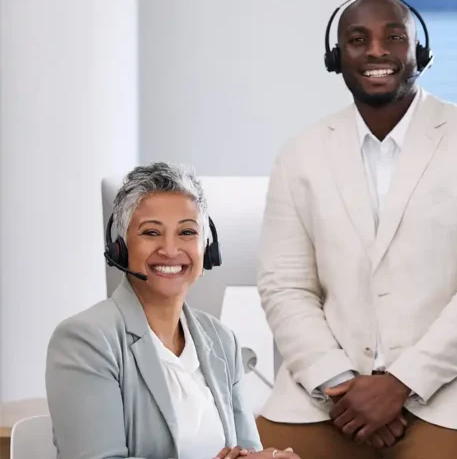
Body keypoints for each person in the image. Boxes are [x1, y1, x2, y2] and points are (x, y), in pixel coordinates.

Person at [255, 0, 457, 459]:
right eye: (357, 39)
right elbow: (285, 286)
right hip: (326, 397)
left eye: (395, 37)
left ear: (418, 53)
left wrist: (400, 386)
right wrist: (341, 384)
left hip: (451, 393)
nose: (377, 51)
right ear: (336, 58)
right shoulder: (299, 154)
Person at [45, 163, 299, 459]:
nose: (169, 249)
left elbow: (247, 452)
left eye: (187, 232)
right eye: (151, 232)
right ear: (121, 248)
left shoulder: (222, 341)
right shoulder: (85, 340)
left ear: (208, 248)